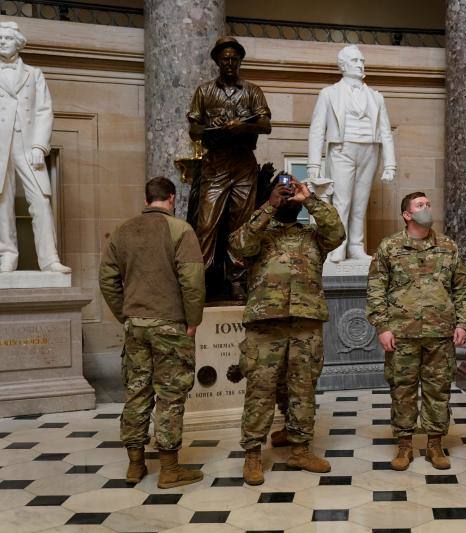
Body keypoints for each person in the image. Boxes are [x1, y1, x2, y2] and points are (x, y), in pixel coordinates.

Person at [229, 174, 345, 485]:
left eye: (290, 192)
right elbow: (239, 245)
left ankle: (300, 448)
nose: (286, 196)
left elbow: (337, 232)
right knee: (261, 389)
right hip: (265, 325)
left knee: (303, 388)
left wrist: (310, 200)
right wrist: (269, 206)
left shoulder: (312, 236)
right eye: (283, 193)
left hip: (305, 324)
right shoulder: (259, 233)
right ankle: (252, 453)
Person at [98, 177, 205, 489]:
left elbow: (107, 279)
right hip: (171, 324)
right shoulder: (180, 230)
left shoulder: (122, 231)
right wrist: (193, 319)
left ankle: (135, 465)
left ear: (147, 199)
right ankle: (170, 469)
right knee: (170, 395)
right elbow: (192, 279)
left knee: (136, 390)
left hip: (136, 325)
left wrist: (126, 314)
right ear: (171, 198)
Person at [366, 192, 466, 471]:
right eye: (420, 205)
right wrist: (383, 326)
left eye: (428, 203)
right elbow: (376, 289)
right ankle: (404, 446)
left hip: (440, 334)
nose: (426, 208)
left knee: (438, 391)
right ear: (407, 214)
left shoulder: (448, 246)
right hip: (402, 334)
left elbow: (462, 288)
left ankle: (435, 445)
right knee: (402, 391)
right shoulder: (390, 247)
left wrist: (463, 323)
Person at [187, 36, 272, 298]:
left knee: (241, 223)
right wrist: (215, 129)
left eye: (235, 59)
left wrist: (243, 126)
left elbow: (266, 124)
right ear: (217, 61)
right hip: (215, 164)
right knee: (206, 222)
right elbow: (194, 129)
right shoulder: (204, 91)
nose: (230, 63)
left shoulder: (252, 90)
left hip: (244, 163)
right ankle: (201, 280)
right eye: (225, 59)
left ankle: (238, 280)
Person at [307, 44, 396, 263]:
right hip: (342, 149)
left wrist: (390, 164)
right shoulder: (329, 94)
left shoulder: (376, 97)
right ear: (343, 66)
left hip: (370, 150)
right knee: (342, 200)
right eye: (355, 61)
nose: (360, 64)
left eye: (361, 61)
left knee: (360, 201)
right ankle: (338, 244)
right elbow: (317, 130)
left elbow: (386, 131)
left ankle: (356, 245)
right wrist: (314, 166)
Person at [0, 21, 70, 273]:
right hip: (0, 145)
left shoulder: (34, 73)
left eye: (7, 38)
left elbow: (44, 110)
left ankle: (49, 259)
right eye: (0, 38)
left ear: (18, 42)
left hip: (27, 144)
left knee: (40, 200)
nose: (2, 41)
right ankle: (7, 255)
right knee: (2, 201)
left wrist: (40, 145)